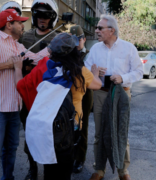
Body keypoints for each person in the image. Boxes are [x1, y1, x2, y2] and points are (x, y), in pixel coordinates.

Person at [0, 9, 51, 180]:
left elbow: (36, 59)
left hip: (14, 108)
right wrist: (8, 65)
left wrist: (53, 47)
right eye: (20, 22)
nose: (23, 26)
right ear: (9, 25)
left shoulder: (17, 45)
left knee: (11, 150)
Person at [14, 33, 102, 180]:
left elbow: (21, 86)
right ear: (74, 51)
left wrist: (18, 69)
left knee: (49, 168)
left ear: (51, 52)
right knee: (65, 171)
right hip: (71, 128)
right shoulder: (80, 72)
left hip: (47, 127)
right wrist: (95, 73)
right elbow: (97, 85)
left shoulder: (43, 68)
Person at [85, 14, 143, 180]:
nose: (96, 30)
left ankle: (123, 171)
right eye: (97, 28)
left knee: (120, 132)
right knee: (99, 133)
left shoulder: (128, 48)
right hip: (100, 93)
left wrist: (122, 78)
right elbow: (85, 70)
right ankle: (99, 169)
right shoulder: (95, 49)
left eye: (100, 28)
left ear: (111, 30)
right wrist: (95, 73)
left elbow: (139, 72)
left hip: (121, 94)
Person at [18, 1, 59, 179]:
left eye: (46, 18)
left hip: (50, 93)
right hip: (28, 91)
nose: (43, 20)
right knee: (30, 131)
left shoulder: (58, 38)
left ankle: (51, 169)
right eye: (40, 17)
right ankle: (32, 168)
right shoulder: (24, 36)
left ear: (52, 19)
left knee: (51, 132)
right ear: (35, 18)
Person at [69, 25, 92, 173]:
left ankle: (80, 159)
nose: (77, 43)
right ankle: (70, 156)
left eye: (79, 39)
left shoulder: (89, 54)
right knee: (70, 126)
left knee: (82, 126)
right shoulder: (67, 53)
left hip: (87, 92)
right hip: (72, 93)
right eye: (73, 40)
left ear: (84, 39)